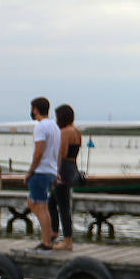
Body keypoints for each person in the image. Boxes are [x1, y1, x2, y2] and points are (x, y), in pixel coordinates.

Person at [26, 96, 61, 250]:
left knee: (40, 207)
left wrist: (30, 171)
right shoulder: (54, 126)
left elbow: (39, 151)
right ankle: (50, 235)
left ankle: (46, 242)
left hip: (40, 171)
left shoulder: (40, 126)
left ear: (35, 109)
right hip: (51, 170)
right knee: (37, 204)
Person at [50, 104, 83, 251]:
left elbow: (61, 153)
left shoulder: (64, 132)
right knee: (52, 202)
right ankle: (54, 233)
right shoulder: (76, 130)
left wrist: (55, 172)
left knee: (63, 206)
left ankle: (68, 241)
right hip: (72, 166)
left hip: (63, 169)